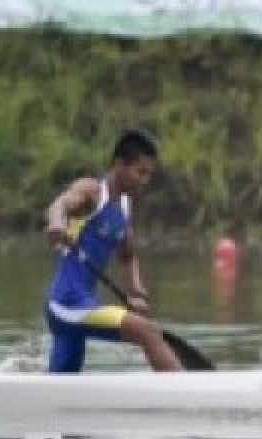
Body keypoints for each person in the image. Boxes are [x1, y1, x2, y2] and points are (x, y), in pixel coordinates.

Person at [43, 129, 181, 373]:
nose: (144, 180)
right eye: (140, 172)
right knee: (149, 333)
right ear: (120, 165)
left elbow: (127, 256)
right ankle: (186, 397)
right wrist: (56, 223)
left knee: (61, 383)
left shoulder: (123, 206)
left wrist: (136, 292)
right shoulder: (92, 192)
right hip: (66, 304)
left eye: (149, 174)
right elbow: (61, 204)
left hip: (83, 304)